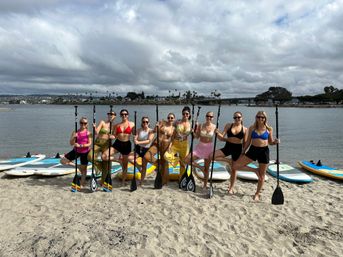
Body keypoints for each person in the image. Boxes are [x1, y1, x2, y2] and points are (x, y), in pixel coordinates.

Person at [232, 111, 280, 201]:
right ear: (256, 117)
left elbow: (270, 142)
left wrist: (275, 142)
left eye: (262, 117)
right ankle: (254, 170)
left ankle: (257, 193)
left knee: (262, 176)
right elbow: (248, 142)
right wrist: (243, 151)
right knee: (235, 166)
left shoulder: (269, 129)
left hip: (264, 151)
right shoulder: (252, 128)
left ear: (265, 118)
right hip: (253, 150)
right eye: (259, 117)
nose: (260, 119)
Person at [212, 111, 248, 194]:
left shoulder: (245, 129)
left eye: (238, 117)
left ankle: (231, 188)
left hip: (238, 149)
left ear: (242, 118)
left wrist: (244, 152)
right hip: (227, 147)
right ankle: (228, 161)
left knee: (234, 170)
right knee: (212, 156)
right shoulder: (228, 125)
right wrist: (216, 133)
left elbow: (245, 143)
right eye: (235, 117)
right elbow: (221, 138)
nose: (237, 119)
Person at [184, 111, 216, 189]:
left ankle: (205, 185)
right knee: (187, 160)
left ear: (213, 118)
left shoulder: (215, 127)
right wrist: (193, 131)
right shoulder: (201, 125)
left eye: (211, 117)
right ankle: (200, 167)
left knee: (207, 168)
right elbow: (196, 137)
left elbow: (220, 137)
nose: (209, 118)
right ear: (205, 117)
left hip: (209, 148)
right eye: (208, 116)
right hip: (200, 147)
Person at [102, 109, 134, 185]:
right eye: (122, 114)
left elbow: (135, 133)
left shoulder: (132, 124)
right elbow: (114, 135)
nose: (124, 116)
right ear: (120, 116)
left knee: (125, 166)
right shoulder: (117, 125)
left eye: (125, 114)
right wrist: (111, 136)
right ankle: (118, 161)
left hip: (127, 145)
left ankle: (123, 182)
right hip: (118, 143)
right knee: (104, 156)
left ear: (128, 115)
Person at [144, 113, 175, 185]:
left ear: (174, 119)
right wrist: (156, 126)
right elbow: (155, 131)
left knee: (165, 163)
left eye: (171, 118)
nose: (170, 119)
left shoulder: (174, 129)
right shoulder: (162, 123)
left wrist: (170, 147)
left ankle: (164, 181)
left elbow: (173, 139)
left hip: (166, 145)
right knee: (147, 156)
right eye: (169, 117)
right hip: (157, 143)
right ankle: (159, 164)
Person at [61, 117, 92, 187]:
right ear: (79, 123)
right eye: (82, 123)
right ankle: (78, 166)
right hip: (76, 151)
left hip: (85, 152)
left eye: (85, 123)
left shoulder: (88, 133)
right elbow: (71, 143)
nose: (83, 124)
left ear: (87, 124)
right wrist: (73, 138)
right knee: (62, 161)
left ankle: (82, 183)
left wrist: (80, 145)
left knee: (84, 169)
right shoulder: (75, 132)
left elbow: (90, 143)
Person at [87, 111, 116, 186]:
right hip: (98, 142)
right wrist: (94, 127)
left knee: (106, 164)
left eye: (112, 114)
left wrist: (113, 137)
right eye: (109, 114)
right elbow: (96, 132)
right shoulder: (103, 122)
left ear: (114, 116)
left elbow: (115, 136)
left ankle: (103, 182)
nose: (110, 115)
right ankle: (99, 166)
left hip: (107, 144)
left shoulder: (114, 126)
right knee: (90, 156)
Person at [128, 116, 155, 186]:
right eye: (144, 122)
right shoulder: (139, 130)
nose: (145, 123)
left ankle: (141, 181)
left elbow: (149, 141)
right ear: (142, 123)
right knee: (129, 158)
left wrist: (138, 142)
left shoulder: (151, 131)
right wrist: (134, 139)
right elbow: (136, 137)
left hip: (146, 149)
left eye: (146, 122)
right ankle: (138, 166)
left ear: (149, 123)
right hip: (138, 149)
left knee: (144, 166)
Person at [170, 106, 192, 181]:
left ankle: (181, 178)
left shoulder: (191, 124)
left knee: (183, 163)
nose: (185, 115)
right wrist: (170, 143)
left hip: (184, 145)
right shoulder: (177, 122)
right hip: (175, 143)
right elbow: (171, 131)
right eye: (184, 113)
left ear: (189, 115)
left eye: (187, 114)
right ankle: (177, 161)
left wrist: (194, 132)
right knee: (168, 157)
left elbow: (195, 136)